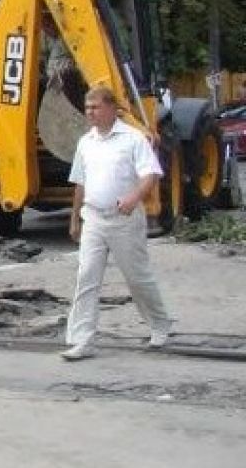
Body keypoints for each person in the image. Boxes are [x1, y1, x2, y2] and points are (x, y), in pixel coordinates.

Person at [62, 86, 174, 361]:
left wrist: (134, 198)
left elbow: (150, 174)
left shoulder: (133, 139)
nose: (90, 112)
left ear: (112, 109)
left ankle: (159, 324)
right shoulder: (86, 142)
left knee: (137, 277)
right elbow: (80, 183)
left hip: (124, 220)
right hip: (94, 219)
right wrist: (74, 219)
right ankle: (82, 339)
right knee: (86, 277)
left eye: (96, 107)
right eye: (88, 108)